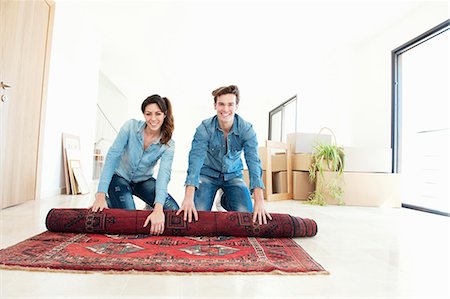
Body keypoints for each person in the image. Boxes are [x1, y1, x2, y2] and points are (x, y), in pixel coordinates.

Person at [177, 85, 272, 225]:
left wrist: (259, 201)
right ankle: (211, 195)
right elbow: (195, 161)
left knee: (246, 216)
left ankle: (224, 199)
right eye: (221, 104)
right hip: (208, 174)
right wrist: (188, 197)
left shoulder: (247, 130)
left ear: (236, 106)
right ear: (215, 105)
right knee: (196, 217)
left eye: (230, 104)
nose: (225, 109)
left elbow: (253, 163)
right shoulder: (204, 128)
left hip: (233, 175)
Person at [91, 94, 179, 235]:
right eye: (148, 114)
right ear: (143, 114)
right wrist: (100, 195)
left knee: (174, 211)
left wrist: (158, 208)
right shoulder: (130, 127)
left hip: (143, 181)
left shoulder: (168, 144)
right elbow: (112, 157)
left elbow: (164, 175)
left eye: (158, 114)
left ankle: (149, 207)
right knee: (131, 219)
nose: (153, 119)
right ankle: (110, 201)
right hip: (119, 178)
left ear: (164, 114)